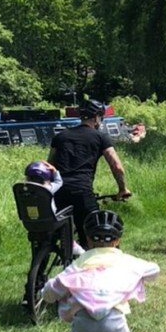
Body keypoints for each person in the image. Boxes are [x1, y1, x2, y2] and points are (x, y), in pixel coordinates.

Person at [48, 98, 132, 248]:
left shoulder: (60, 137)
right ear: (97, 118)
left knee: (59, 232)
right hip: (82, 192)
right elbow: (117, 166)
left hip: (58, 192)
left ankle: (53, 259)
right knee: (95, 233)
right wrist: (122, 189)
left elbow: (50, 167)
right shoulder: (101, 137)